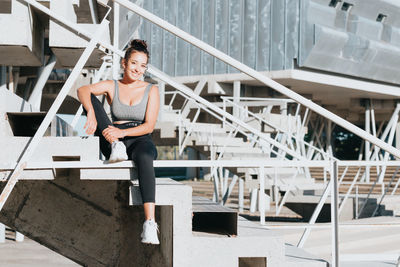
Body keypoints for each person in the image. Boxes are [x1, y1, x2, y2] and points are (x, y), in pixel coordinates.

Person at [77, 39, 160, 245]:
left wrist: (122, 135)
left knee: (144, 157)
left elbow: (149, 126)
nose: (138, 69)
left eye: (142, 65)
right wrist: (91, 114)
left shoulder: (152, 90)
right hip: (111, 137)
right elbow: (82, 91)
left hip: (138, 138)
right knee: (91, 98)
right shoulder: (112, 85)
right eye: (134, 63)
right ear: (124, 63)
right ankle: (115, 145)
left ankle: (149, 223)